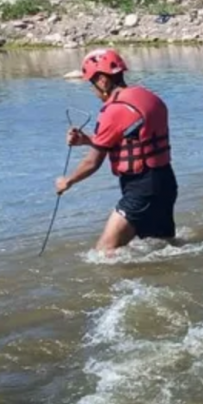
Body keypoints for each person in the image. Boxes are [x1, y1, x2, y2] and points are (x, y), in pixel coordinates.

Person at [55, 49, 178, 252]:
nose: (93, 89)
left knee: (104, 251)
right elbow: (134, 139)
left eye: (91, 83)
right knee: (164, 247)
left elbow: (93, 162)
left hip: (141, 189)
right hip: (165, 182)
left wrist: (68, 181)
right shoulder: (148, 97)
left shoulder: (114, 110)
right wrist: (87, 140)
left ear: (103, 80)